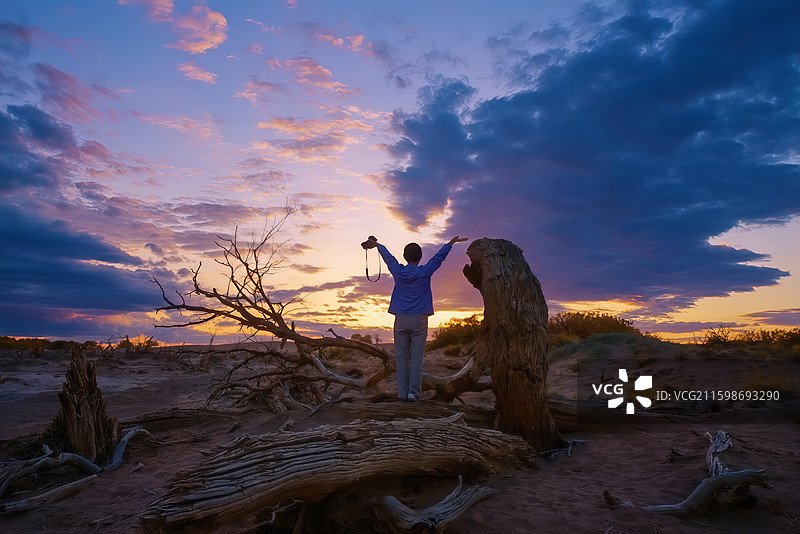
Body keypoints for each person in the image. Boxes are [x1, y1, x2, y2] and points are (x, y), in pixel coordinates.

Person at [363, 235, 468, 401]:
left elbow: (388, 258)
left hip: (401, 319)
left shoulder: (398, 271)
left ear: (405, 257)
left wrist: (377, 245)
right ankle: (414, 393)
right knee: (417, 359)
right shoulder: (425, 271)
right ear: (419, 258)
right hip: (419, 319)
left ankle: (402, 394)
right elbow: (438, 258)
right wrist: (450, 243)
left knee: (402, 359)